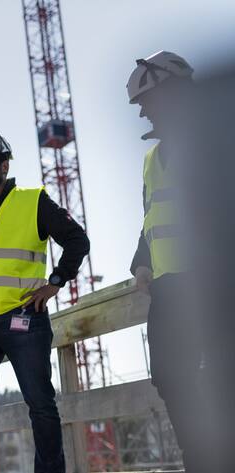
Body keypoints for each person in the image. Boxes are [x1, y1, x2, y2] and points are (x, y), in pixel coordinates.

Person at [0, 130, 90, 473]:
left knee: (40, 404)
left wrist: (55, 282)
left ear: (4, 165)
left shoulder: (32, 200)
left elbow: (77, 240)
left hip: (23, 318)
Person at [126, 51, 213, 472]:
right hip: (168, 285)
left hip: (214, 279)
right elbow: (151, 215)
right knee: (169, 375)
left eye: (148, 101)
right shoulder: (151, 159)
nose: (143, 112)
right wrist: (141, 261)